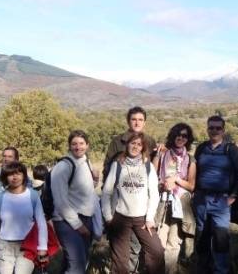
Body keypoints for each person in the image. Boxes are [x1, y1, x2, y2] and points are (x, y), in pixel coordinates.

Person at [103, 106, 157, 274]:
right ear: (128, 121)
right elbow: (108, 172)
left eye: (140, 119)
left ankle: (135, 270)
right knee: (120, 252)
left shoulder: (150, 141)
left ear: (144, 122)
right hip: (121, 207)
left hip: (141, 208)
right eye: (134, 119)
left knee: (141, 247)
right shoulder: (117, 142)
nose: (137, 122)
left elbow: (152, 171)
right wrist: (109, 211)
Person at [193, 115, 238, 274]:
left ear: (223, 130)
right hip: (202, 199)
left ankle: (221, 270)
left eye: (218, 128)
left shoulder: (231, 150)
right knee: (202, 236)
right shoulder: (202, 148)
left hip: (221, 200)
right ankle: (204, 268)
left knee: (220, 239)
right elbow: (194, 171)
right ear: (207, 129)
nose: (214, 131)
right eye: (211, 127)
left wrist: (233, 196)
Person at [51, 130, 99, 274]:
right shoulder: (63, 167)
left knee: (77, 263)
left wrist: (95, 180)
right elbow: (60, 201)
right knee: (77, 266)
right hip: (68, 222)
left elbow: (83, 191)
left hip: (85, 218)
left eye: (81, 143)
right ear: (69, 146)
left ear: (88, 145)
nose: (78, 147)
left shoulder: (86, 162)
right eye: (74, 144)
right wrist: (78, 225)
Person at [0, 162, 48, 274]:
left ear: (24, 175)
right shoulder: (0, 198)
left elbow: (41, 222)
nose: (15, 177)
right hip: (4, 247)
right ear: (5, 177)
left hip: (27, 246)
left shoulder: (33, 196)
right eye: (10, 174)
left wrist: (42, 247)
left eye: (18, 173)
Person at [153, 123, 196, 274]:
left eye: (184, 135)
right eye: (178, 134)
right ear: (173, 135)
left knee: (174, 242)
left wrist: (176, 180)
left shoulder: (190, 160)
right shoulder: (163, 153)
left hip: (180, 204)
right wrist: (163, 184)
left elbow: (191, 185)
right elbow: (153, 177)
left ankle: (170, 271)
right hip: (163, 202)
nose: (181, 138)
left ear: (188, 139)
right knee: (158, 242)